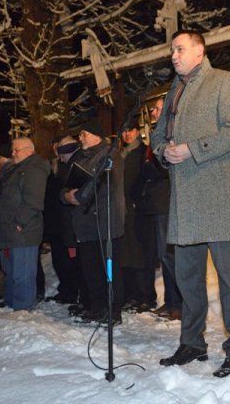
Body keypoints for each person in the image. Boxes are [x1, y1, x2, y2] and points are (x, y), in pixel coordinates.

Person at [151, 30, 230, 378]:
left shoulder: (225, 82)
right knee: (188, 278)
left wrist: (192, 149)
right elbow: (157, 135)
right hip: (184, 199)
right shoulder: (172, 91)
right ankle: (192, 343)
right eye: (171, 51)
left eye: (179, 49)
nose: (174, 56)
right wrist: (163, 150)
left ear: (199, 50)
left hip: (217, 196)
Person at [60, 119, 125, 324]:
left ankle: (113, 310)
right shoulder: (82, 157)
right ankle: (97, 308)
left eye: (84, 134)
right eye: (80, 135)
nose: (80, 139)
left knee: (109, 270)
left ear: (97, 136)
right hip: (86, 222)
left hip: (105, 222)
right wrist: (65, 195)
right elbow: (68, 183)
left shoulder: (109, 154)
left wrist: (76, 198)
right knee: (91, 270)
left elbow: (102, 184)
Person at [134, 98, 181, 320]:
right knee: (164, 256)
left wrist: (149, 167)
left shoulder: (174, 132)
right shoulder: (158, 134)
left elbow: (164, 167)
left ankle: (180, 305)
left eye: (157, 108)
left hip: (168, 201)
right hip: (157, 203)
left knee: (172, 256)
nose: (153, 112)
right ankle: (171, 301)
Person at [0, 137, 49, 311]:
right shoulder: (16, 169)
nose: (13, 154)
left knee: (22, 273)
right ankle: (12, 304)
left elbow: (33, 200)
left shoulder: (34, 169)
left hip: (23, 231)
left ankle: (23, 310)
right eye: (13, 150)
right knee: (11, 272)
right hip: (9, 230)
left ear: (29, 151)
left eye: (17, 150)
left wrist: (19, 222)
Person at [119, 119, 158, 313]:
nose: (127, 134)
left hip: (139, 210)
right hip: (123, 209)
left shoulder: (143, 152)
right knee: (126, 254)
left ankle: (147, 296)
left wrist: (138, 198)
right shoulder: (121, 154)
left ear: (137, 132)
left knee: (142, 254)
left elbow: (146, 178)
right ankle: (131, 294)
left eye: (131, 130)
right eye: (124, 131)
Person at [44, 135, 79, 305]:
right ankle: (65, 289)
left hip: (65, 220)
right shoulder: (54, 167)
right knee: (58, 259)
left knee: (68, 260)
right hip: (54, 220)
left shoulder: (69, 168)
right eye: (55, 146)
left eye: (60, 146)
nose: (57, 150)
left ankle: (71, 291)